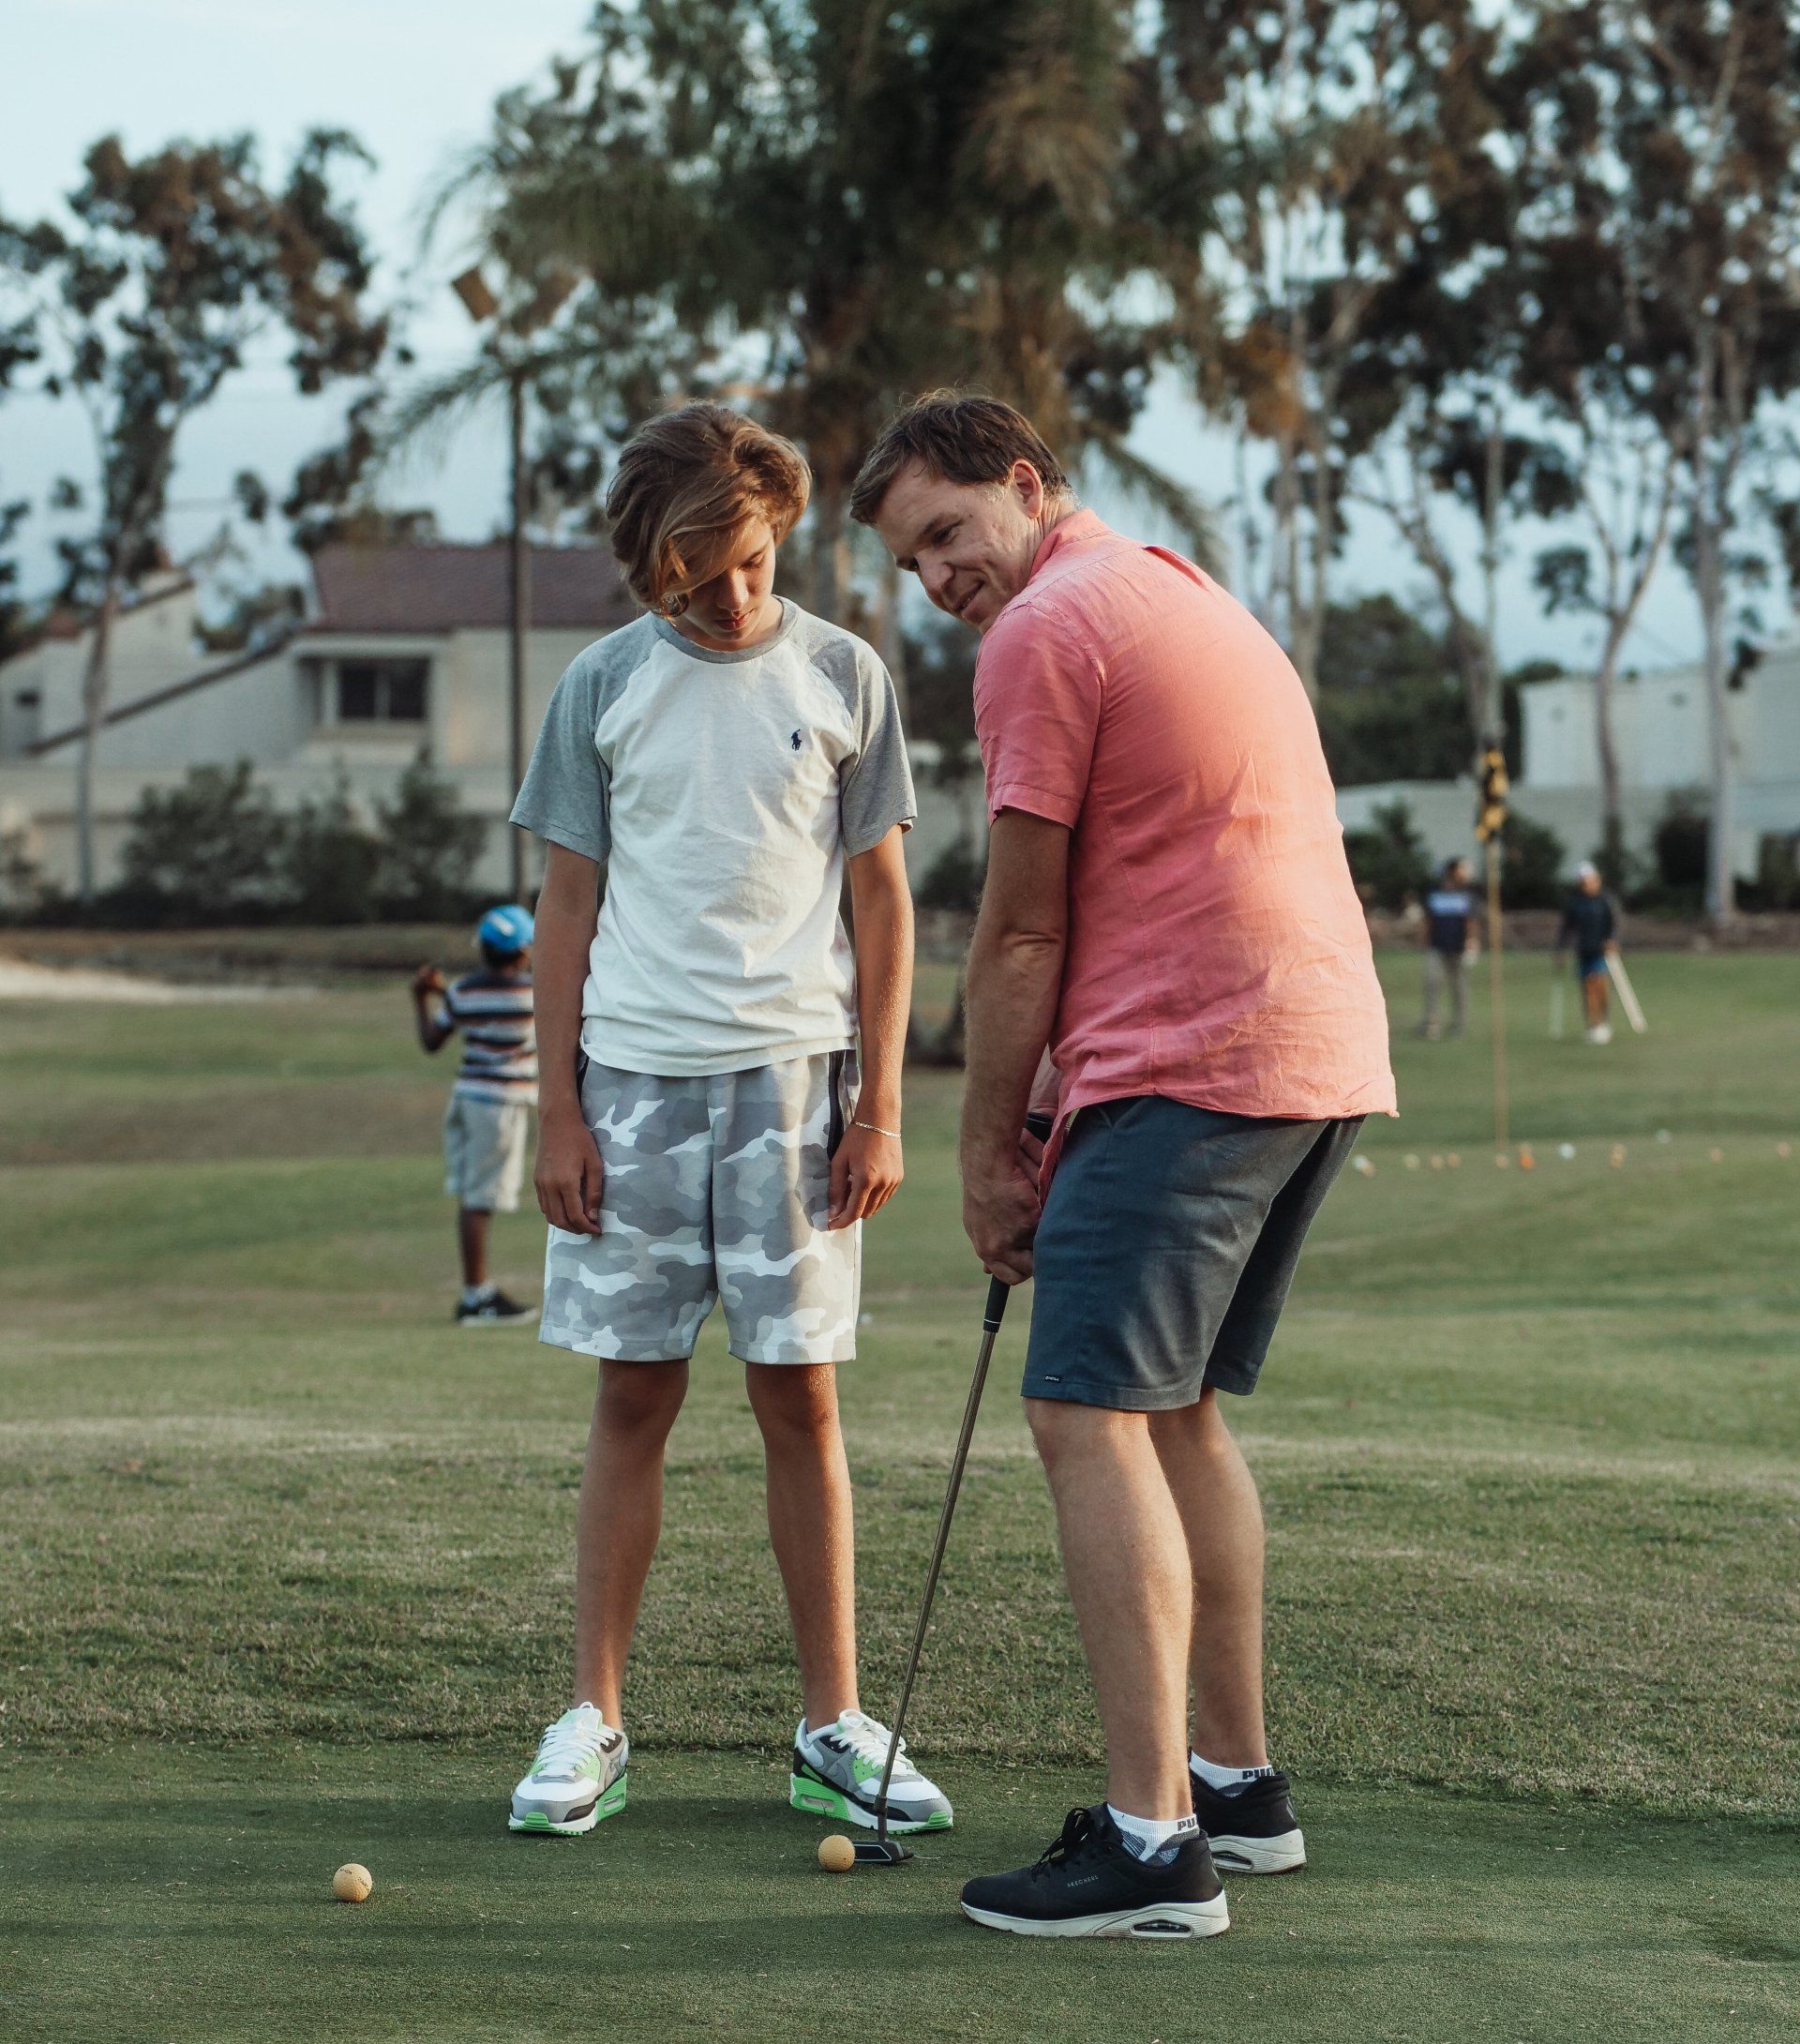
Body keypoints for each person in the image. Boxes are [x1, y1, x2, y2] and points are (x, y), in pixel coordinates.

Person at [854, 391, 1395, 1940]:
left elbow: (1021, 929)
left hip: (1194, 1057)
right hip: (1309, 1054)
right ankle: (1235, 1788)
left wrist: (982, 1151)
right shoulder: (1173, 589)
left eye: (949, 533)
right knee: (1171, 1417)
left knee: (1081, 1412)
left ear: (1025, 487)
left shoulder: (1044, 631)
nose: (939, 576)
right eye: (912, 561)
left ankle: (1156, 1848)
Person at [502, 401, 952, 1843]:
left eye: (752, 560)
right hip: (630, 1091)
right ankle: (595, 1721)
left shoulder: (844, 674)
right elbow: (562, 910)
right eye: (701, 570)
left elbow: (883, 903)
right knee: (630, 1395)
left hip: (796, 1088)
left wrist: (882, 1108)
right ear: (653, 562)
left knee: (800, 1399)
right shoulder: (602, 685)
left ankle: (832, 1724)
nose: (734, 592)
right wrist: (554, 1111)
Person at [412, 903, 539, 1326]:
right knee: (481, 1199)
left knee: (474, 1197)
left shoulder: (464, 992)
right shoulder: (532, 994)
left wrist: (422, 997)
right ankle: (476, 1298)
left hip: (467, 1099)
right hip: (499, 1105)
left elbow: (433, 1040)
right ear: (523, 953)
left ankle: (475, 1294)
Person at [1556, 862, 1618, 1044]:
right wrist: (1560, 950)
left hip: (1602, 951)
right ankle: (1593, 1025)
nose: (1587, 885)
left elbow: (1614, 923)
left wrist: (1612, 940)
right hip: (1584, 950)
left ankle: (1603, 1022)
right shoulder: (1575, 903)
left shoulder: (1606, 900)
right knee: (1589, 988)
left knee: (1602, 988)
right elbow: (1566, 928)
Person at [1418, 856, 1476, 1038]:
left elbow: (1470, 921)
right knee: (1433, 984)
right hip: (1437, 946)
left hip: (1458, 948)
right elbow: (1429, 920)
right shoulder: (1436, 893)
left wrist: (1471, 942)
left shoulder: (1464, 894)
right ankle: (1432, 1025)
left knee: (1459, 987)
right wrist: (1425, 939)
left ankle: (1459, 1024)